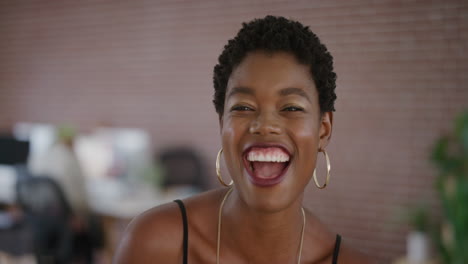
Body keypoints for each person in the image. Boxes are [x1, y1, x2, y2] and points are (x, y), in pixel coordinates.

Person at [114, 16, 372, 264]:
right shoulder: (155, 244)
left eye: (291, 107)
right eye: (243, 107)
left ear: (323, 130)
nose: (265, 125)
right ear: (221, 124)